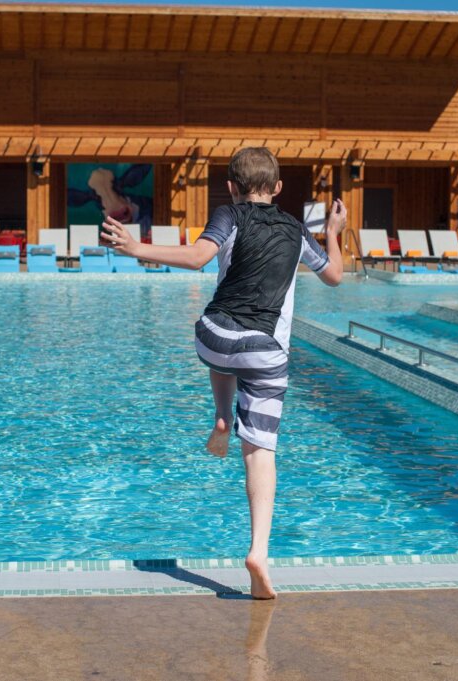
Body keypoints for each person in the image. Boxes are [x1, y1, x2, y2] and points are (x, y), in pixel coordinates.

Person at [102, 147, 345, 599]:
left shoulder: (228, 215)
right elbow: (334, 275)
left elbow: (197, 257)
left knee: (223, 347)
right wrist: (333, 232)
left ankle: (220, 416)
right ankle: (258, 552)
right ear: (277, 189)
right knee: (260, 451)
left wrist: (137, 248)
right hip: (266, 351)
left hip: (213, 338)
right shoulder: (295, 227)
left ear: (232, 187)